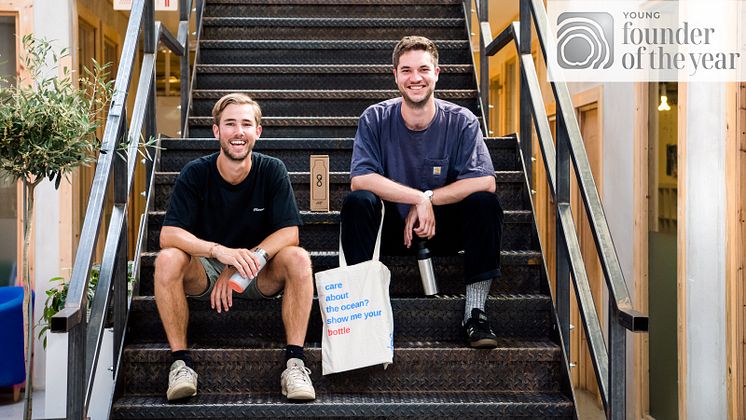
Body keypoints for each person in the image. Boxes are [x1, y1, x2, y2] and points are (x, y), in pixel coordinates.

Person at [341, 36, 503, 349]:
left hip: (442, 229)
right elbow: (360, 178)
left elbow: (486, 181)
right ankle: (360, 311)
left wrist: (430, 199)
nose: (416, 78)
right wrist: (417, 197)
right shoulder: (375, 118)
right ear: (395, 75)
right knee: (358, 202)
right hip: (390, 229)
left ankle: (476, 313)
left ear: (437, 73)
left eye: (423, 69)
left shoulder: (461, 121)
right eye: (407, 70)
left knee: (485, 203)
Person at [154, 93, 316, 401]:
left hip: (258, 269)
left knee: (297, 258)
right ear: (216, 131)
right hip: (204, 267)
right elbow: (169, 235)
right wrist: (219, 253)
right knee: (166, 259)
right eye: (230, 124)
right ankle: (180, 364)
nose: (238, 132)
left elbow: (289, 233)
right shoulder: (195, 173)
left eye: (245, 124)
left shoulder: (272, 170)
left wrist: (244, 262)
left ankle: (295, 363)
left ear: (258, 131)